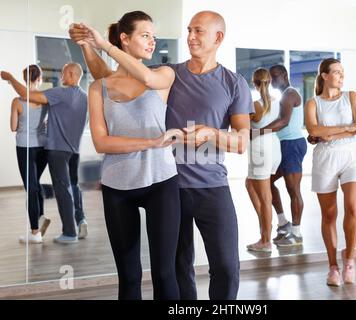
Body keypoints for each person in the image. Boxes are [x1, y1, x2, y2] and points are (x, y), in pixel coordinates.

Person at [69, 10, 253, 300]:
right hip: (170, 183)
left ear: (218, 38)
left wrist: (211, 134)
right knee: (178, 270)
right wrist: (87, 46)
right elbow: (109, 80)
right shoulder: (167, 74)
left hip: (211, 184)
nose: (191, 36)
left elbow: (242, 141)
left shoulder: (234, 83)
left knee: (227, 267)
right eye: (189, 30)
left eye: (198, 31)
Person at [80, 11, 184, 300]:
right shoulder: (98, 87)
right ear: (125, 38)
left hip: (161, 183)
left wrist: (104, 46)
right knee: (129, 277)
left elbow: (148, 79)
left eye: (154, 36)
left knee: (165, 274)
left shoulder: (164, 74)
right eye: (145, 35)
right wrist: (150, 142)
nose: (152, 42)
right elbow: (102, 142)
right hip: (117, 187)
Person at [2, 63, 88, 244]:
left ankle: (54, 232)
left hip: (46, 148)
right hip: (67, 147)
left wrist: (10, 79)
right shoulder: (82, 97)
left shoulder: (57, 94)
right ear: (39, 78)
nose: (61, 75)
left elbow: (22, 104)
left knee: (44, 187)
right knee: (73, 185)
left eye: (64, 72)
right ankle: (80, 218)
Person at [305, 58, 356, 286]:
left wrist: (330, 134)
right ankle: (333, 267)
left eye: (342, 72)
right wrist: (345, 128)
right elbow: (313, 129)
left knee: (353, 208)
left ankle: (349, 260)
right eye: (337, 72)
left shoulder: (352, 96)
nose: (341, 76)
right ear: (324, 76)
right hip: (325, 159)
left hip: (351, 156)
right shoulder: (313, 103)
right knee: (329, 214)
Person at [3, 65, 50, 243]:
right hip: (43, 146)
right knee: (35, 184)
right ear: (39, 78)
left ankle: (35, 231)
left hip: (25, 146)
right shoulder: (46, 99)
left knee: (31, 187)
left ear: (24, 79)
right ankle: (41, 217)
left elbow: (14, 127)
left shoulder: (17, 101)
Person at [260, 65, 306, 247]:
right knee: (267, 181)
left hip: (293, 145)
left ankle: (296, 233)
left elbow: (284, 122)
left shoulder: (290, 94)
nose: (272, 82)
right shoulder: (282, 96)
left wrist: (257, 132)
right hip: (282, 145)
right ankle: (283, 223)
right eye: (270, 79)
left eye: (275, 77)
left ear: (285, 75)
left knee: (293, 189)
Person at [246, 68, 281, 252]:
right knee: (250, 184)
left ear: (255, 83)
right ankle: (265, 223)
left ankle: (265, 240)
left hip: (260, 150)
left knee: (265, 197)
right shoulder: (276, 103)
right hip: (273, 148)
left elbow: (244, 124)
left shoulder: (256, 105)